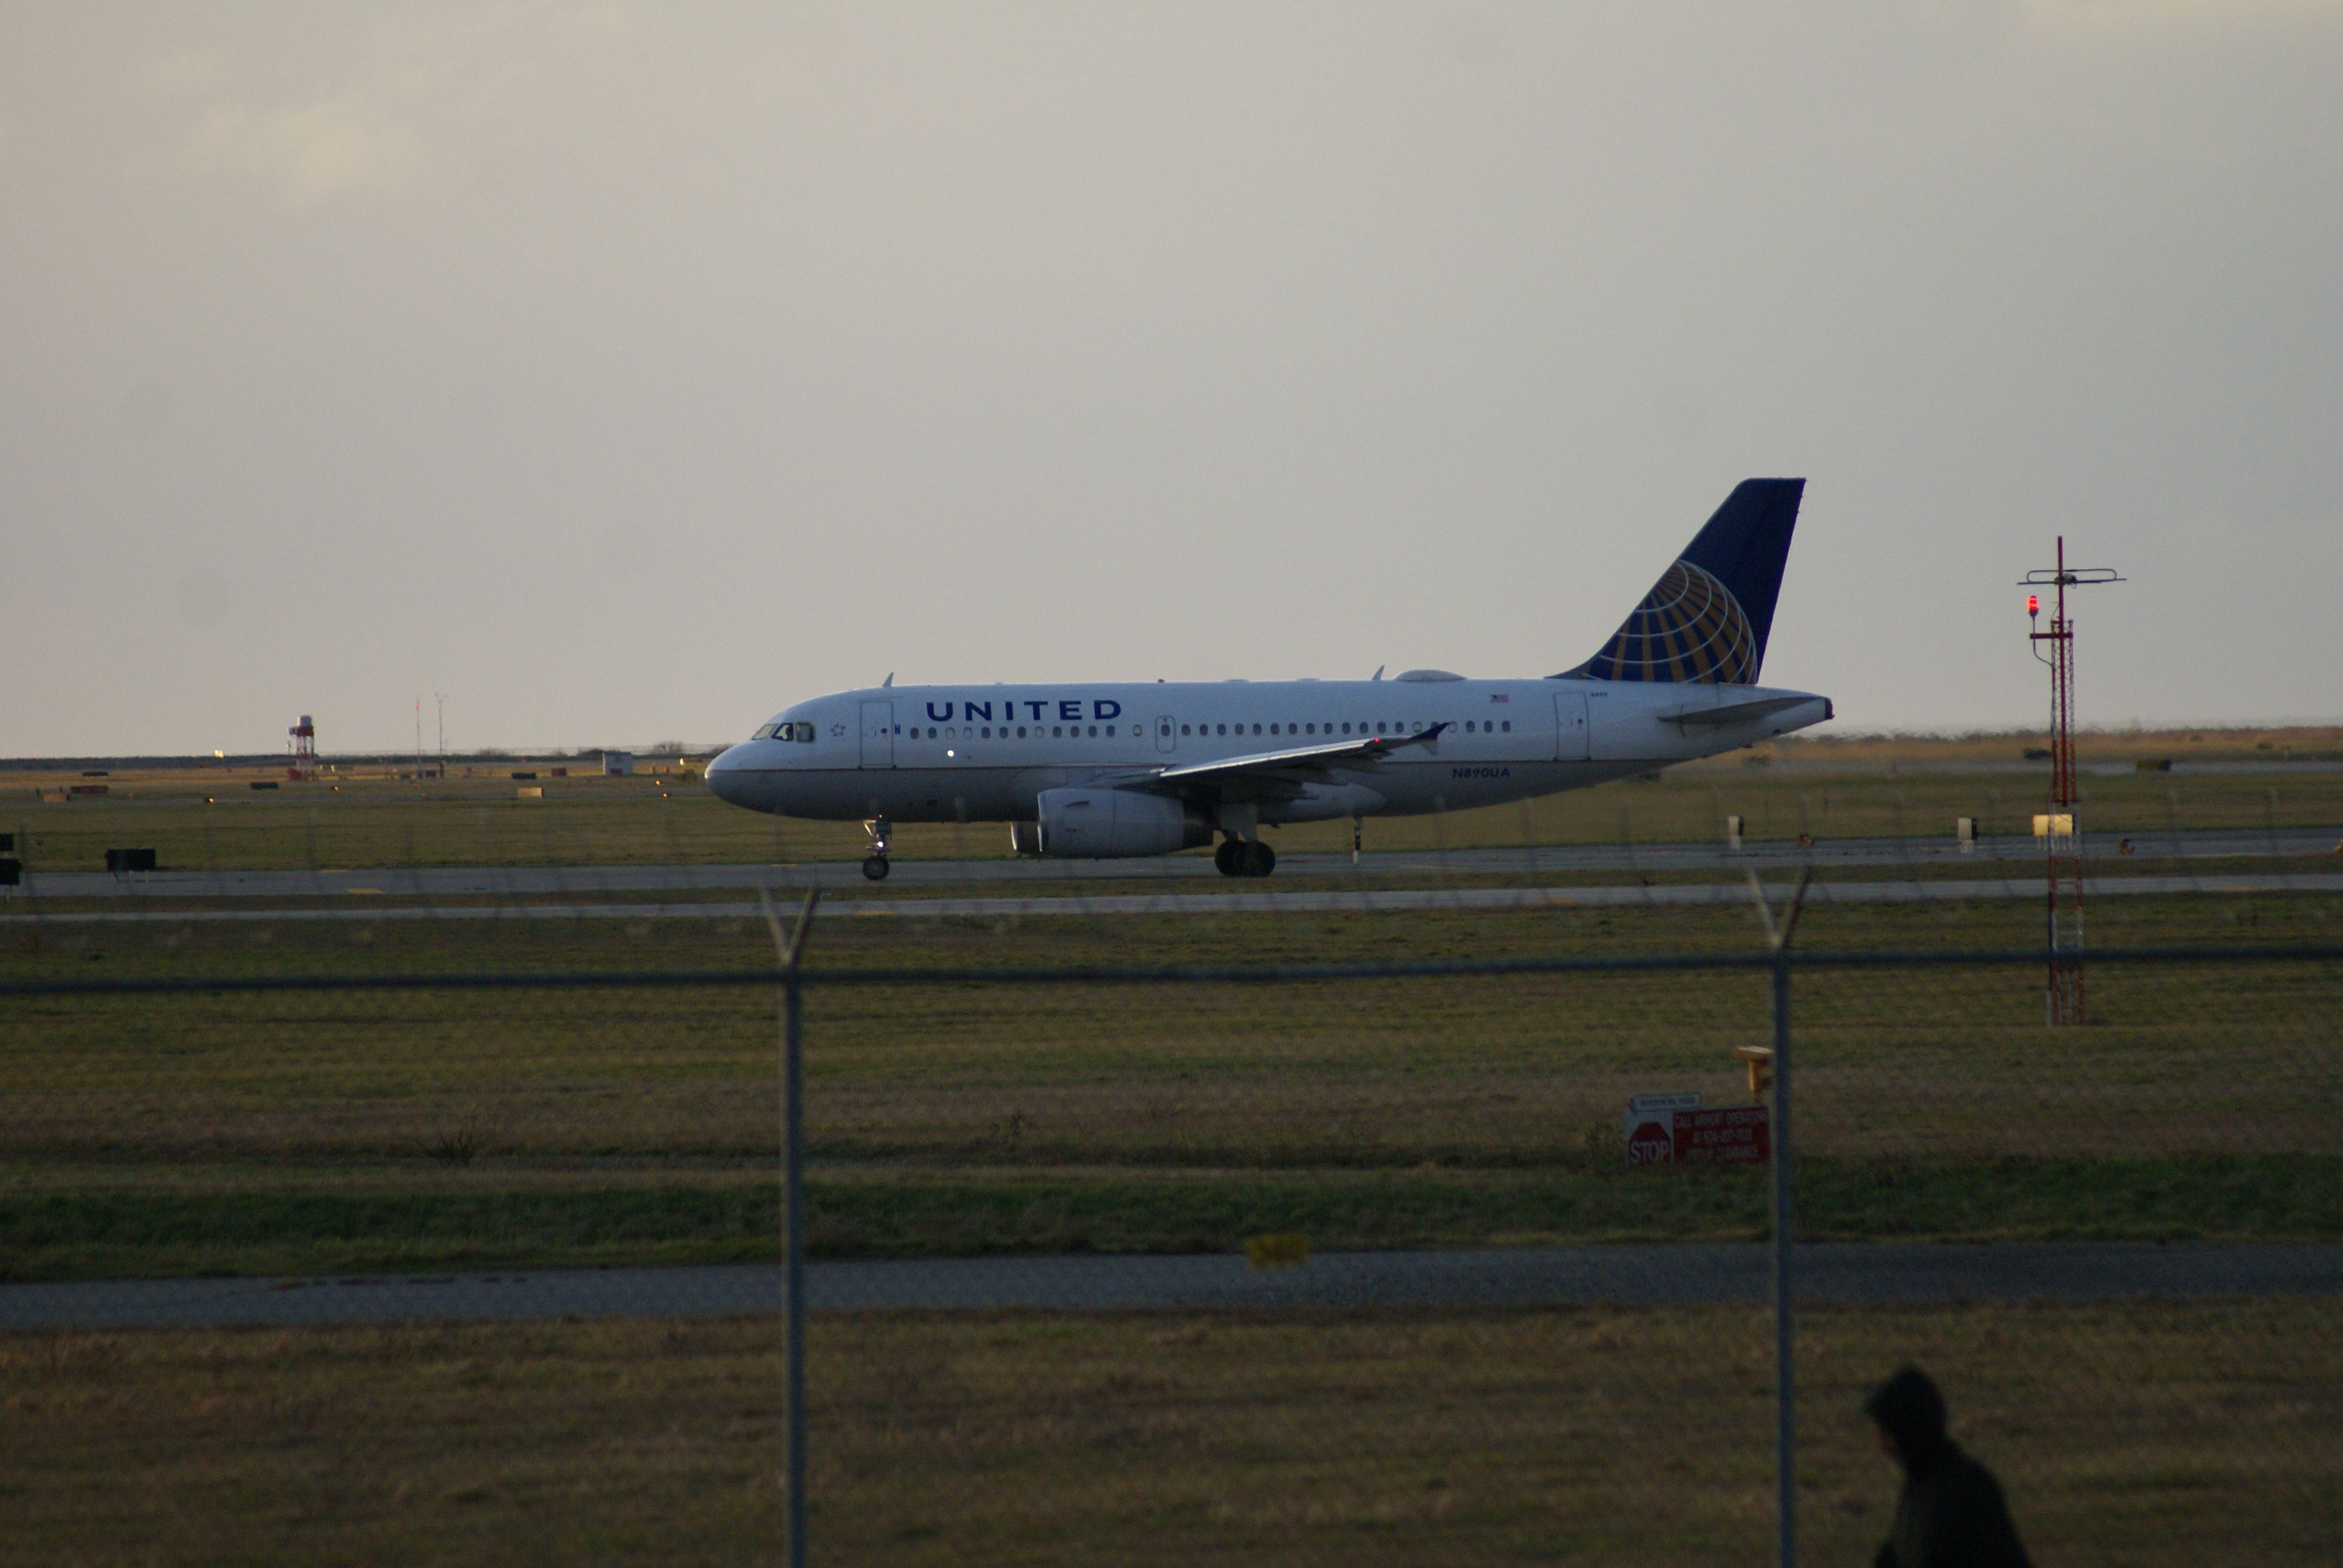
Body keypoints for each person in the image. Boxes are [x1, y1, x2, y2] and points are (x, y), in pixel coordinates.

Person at [1866, 1365, 2033, 1568]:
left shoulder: (1960, 1491)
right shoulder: (1923, 1490)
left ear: (1908, 1433)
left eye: (1888, 1435)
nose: (1882, 1447)